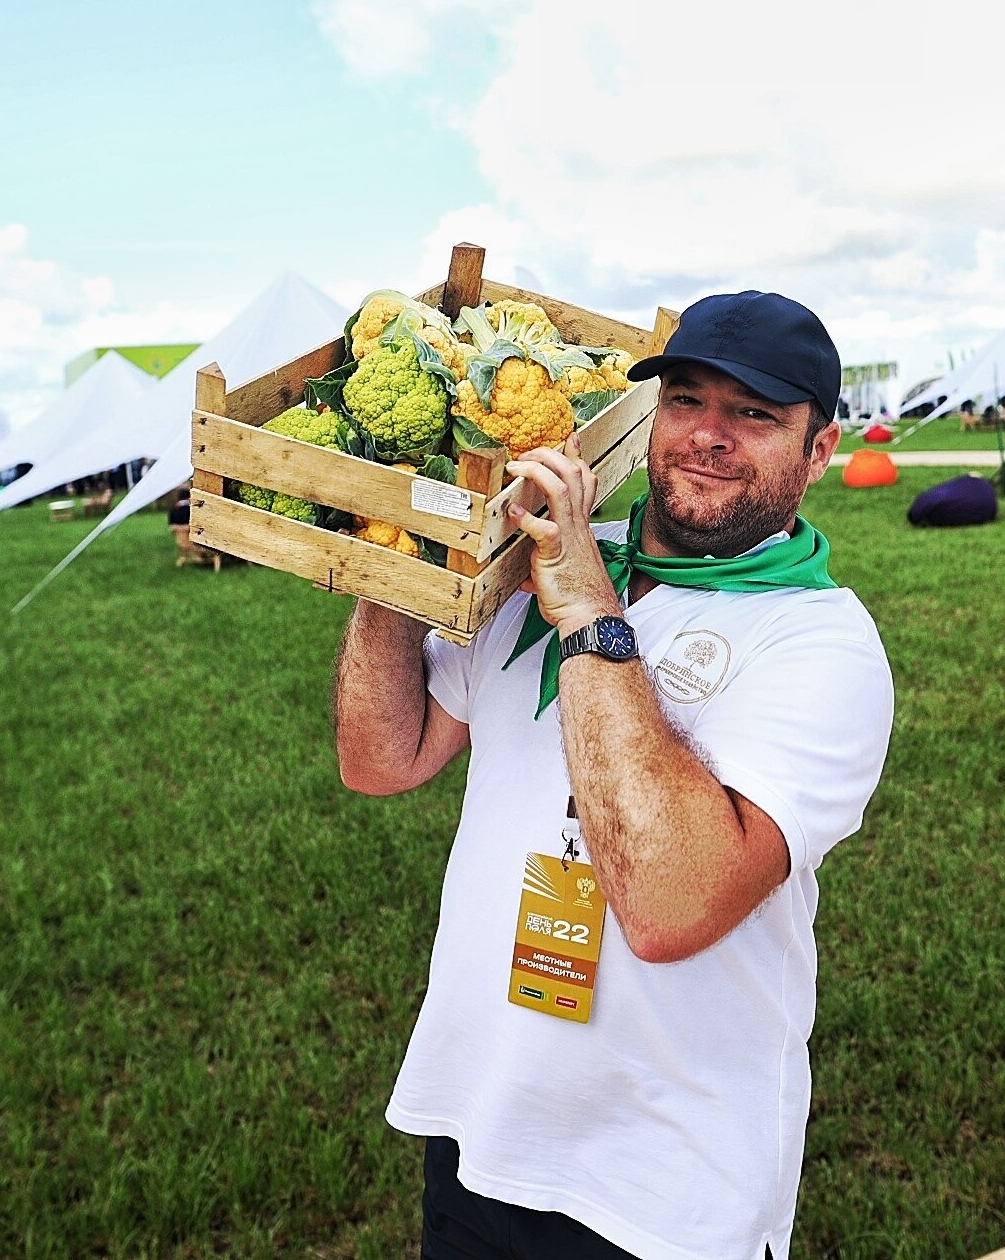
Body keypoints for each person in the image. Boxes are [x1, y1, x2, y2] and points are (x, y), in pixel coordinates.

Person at [332, 291, 894, 1260]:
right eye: (686, 400)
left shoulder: (820, 642)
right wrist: (405, 554)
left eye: (754, 414)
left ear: (819, 449)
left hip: (662, 1190)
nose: (709, 436)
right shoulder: (533, 568)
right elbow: (383, 760)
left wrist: (592, 608)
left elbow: (673, 905)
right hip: (478, 1130)